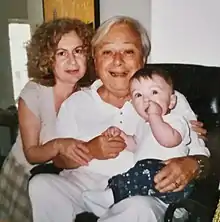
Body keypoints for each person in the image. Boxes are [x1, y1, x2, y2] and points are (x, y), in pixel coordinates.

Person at [28, 16, 210, 222]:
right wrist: (90, 150)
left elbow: (201, 155)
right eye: (107, 52)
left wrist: (191, 165)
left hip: (143, 194)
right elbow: (60, 161)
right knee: (42, 185)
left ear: (143, 58)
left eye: (128, 51)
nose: (117, 60)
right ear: (95, 60)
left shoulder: (168, 97)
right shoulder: (76, 103)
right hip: (84, 188)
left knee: (138, 209)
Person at [0, 18, 93, 222]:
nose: (72, 61)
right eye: (62, 53)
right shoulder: (34, 93)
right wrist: (60, 145)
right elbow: (32, 154)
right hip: (24, 175)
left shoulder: (90, 93)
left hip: (59, 179)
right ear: (47, 60)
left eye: (78, 51)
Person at [82, 67, 195, 215]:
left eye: (154, 92)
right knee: (128, 175)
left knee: (144, 168)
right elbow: (135, 145)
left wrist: (155, 116)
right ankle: (110, 198)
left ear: (172, 101)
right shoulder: (143, 125)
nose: (146, 99)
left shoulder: (176, 120)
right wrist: (121, 136)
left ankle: (111, 197)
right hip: (148, 186)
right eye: (138, 95)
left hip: (172, 182)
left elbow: (168, 141)